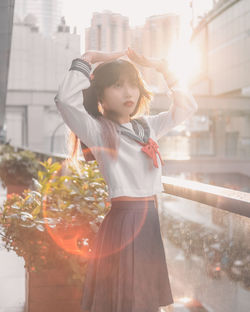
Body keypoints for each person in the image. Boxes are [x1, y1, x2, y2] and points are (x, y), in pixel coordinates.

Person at [54, 47, 198, 312]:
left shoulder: (148, 126)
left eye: (133, 84)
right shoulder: (97, 130)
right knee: (124, 300)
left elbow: (187, 106)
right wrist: (87, 61)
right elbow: (64, 100)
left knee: (143, 299)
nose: (128, 92)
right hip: (124, 221)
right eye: (118, 86)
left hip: (149, 218)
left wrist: (163, 68)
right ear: (101, 96)